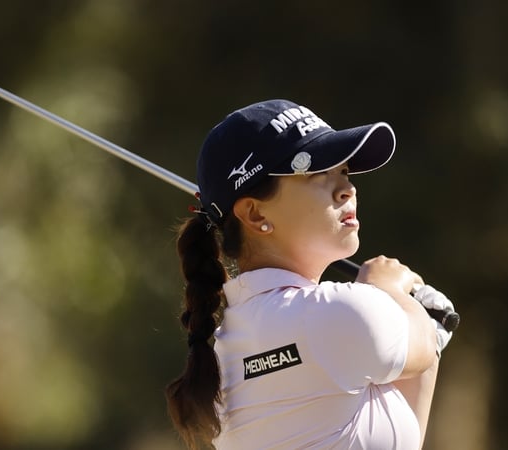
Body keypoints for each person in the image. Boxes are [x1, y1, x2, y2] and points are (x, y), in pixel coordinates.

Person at [165, 99, 455, 450]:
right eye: (318, 172)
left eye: (344, 171)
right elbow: (418, 347)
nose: (347, 189)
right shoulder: (346, 313)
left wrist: (411, 316)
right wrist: (388, 288)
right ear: (255, 214)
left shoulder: (228, 347)